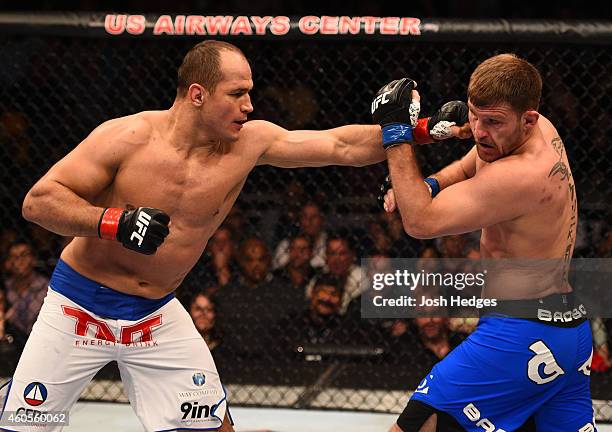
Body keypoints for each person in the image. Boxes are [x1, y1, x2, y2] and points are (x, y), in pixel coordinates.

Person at [1, 40, 466, 432]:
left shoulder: (250, 142)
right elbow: (39, 202)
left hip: (155, 312)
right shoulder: (127, 137)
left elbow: (340, 145)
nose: (249, 105)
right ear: (198, 94)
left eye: (250, 93)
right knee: (25, 426)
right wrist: (113, 223)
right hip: (78, 305)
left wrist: (420, 132)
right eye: (238, 93)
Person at [374, 54, 595, 431]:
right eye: (475, 115)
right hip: (568, 331)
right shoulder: (536, 131)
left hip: (522, 334)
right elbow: (471, 162)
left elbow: (420, 222)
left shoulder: (521, 175)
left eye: (492, 122)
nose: (477, 130)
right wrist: (429, 184)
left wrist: (396, 133)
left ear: (528, 119)